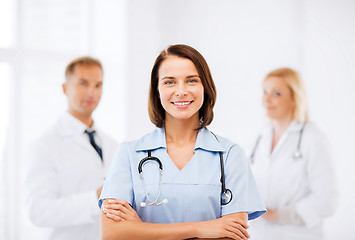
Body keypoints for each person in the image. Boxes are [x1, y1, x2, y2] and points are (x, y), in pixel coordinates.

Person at [99, 44, 266, 240]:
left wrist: (141, 229)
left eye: (191, 81)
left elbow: (232, 236)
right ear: (157, 90)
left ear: (206, 87)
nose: (181, 91)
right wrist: (200, 229)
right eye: (169, 82)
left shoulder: (230, 155)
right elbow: (112, 233)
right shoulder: (129, 153)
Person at [25, 57, 118, 240]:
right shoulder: (44, 145)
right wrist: (96, 198)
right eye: (83, 83)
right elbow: (38, 210)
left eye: (98, 85)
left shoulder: (113, 145)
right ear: (65, 88)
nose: (92, 92)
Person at [248, 68, 339, 240]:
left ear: (294, 99)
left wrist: (280, 215)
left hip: (297, 235)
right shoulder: (260, 136)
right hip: (259, 234)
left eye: (276, 93)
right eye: (265, 92)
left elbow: (328, 199)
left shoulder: (314, 138)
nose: (267, 99)